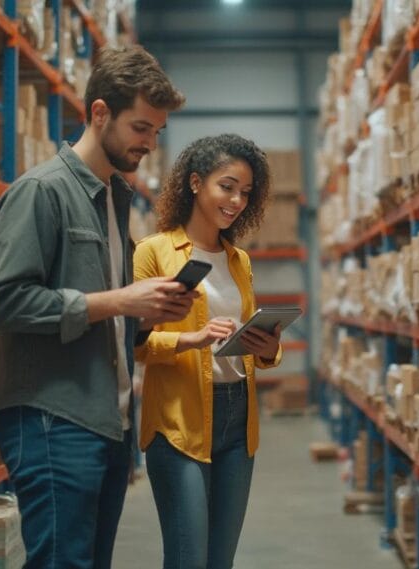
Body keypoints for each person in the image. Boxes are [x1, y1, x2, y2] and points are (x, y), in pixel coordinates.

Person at [0, 46, 191, 569]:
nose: (149, 143)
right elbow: (5, 301)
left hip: (108, 419)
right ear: (100, 113)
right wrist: (121, 300)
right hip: (54, 418)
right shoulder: (41, 191)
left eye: (156, 132)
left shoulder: (113, 199)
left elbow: (100, 311)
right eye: (141, 128)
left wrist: (144, 313)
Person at [134, 134, 283, 569]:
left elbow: (252, 342)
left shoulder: (239, 260)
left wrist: (268, 347)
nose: (237, 200)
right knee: (188, 558)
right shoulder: (154, 253)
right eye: (227, 186)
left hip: (238, 418)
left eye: (246, 192)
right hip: (178, 419)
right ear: (195, 183)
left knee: (220, 560)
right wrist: (191, 339)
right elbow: (135, 345)